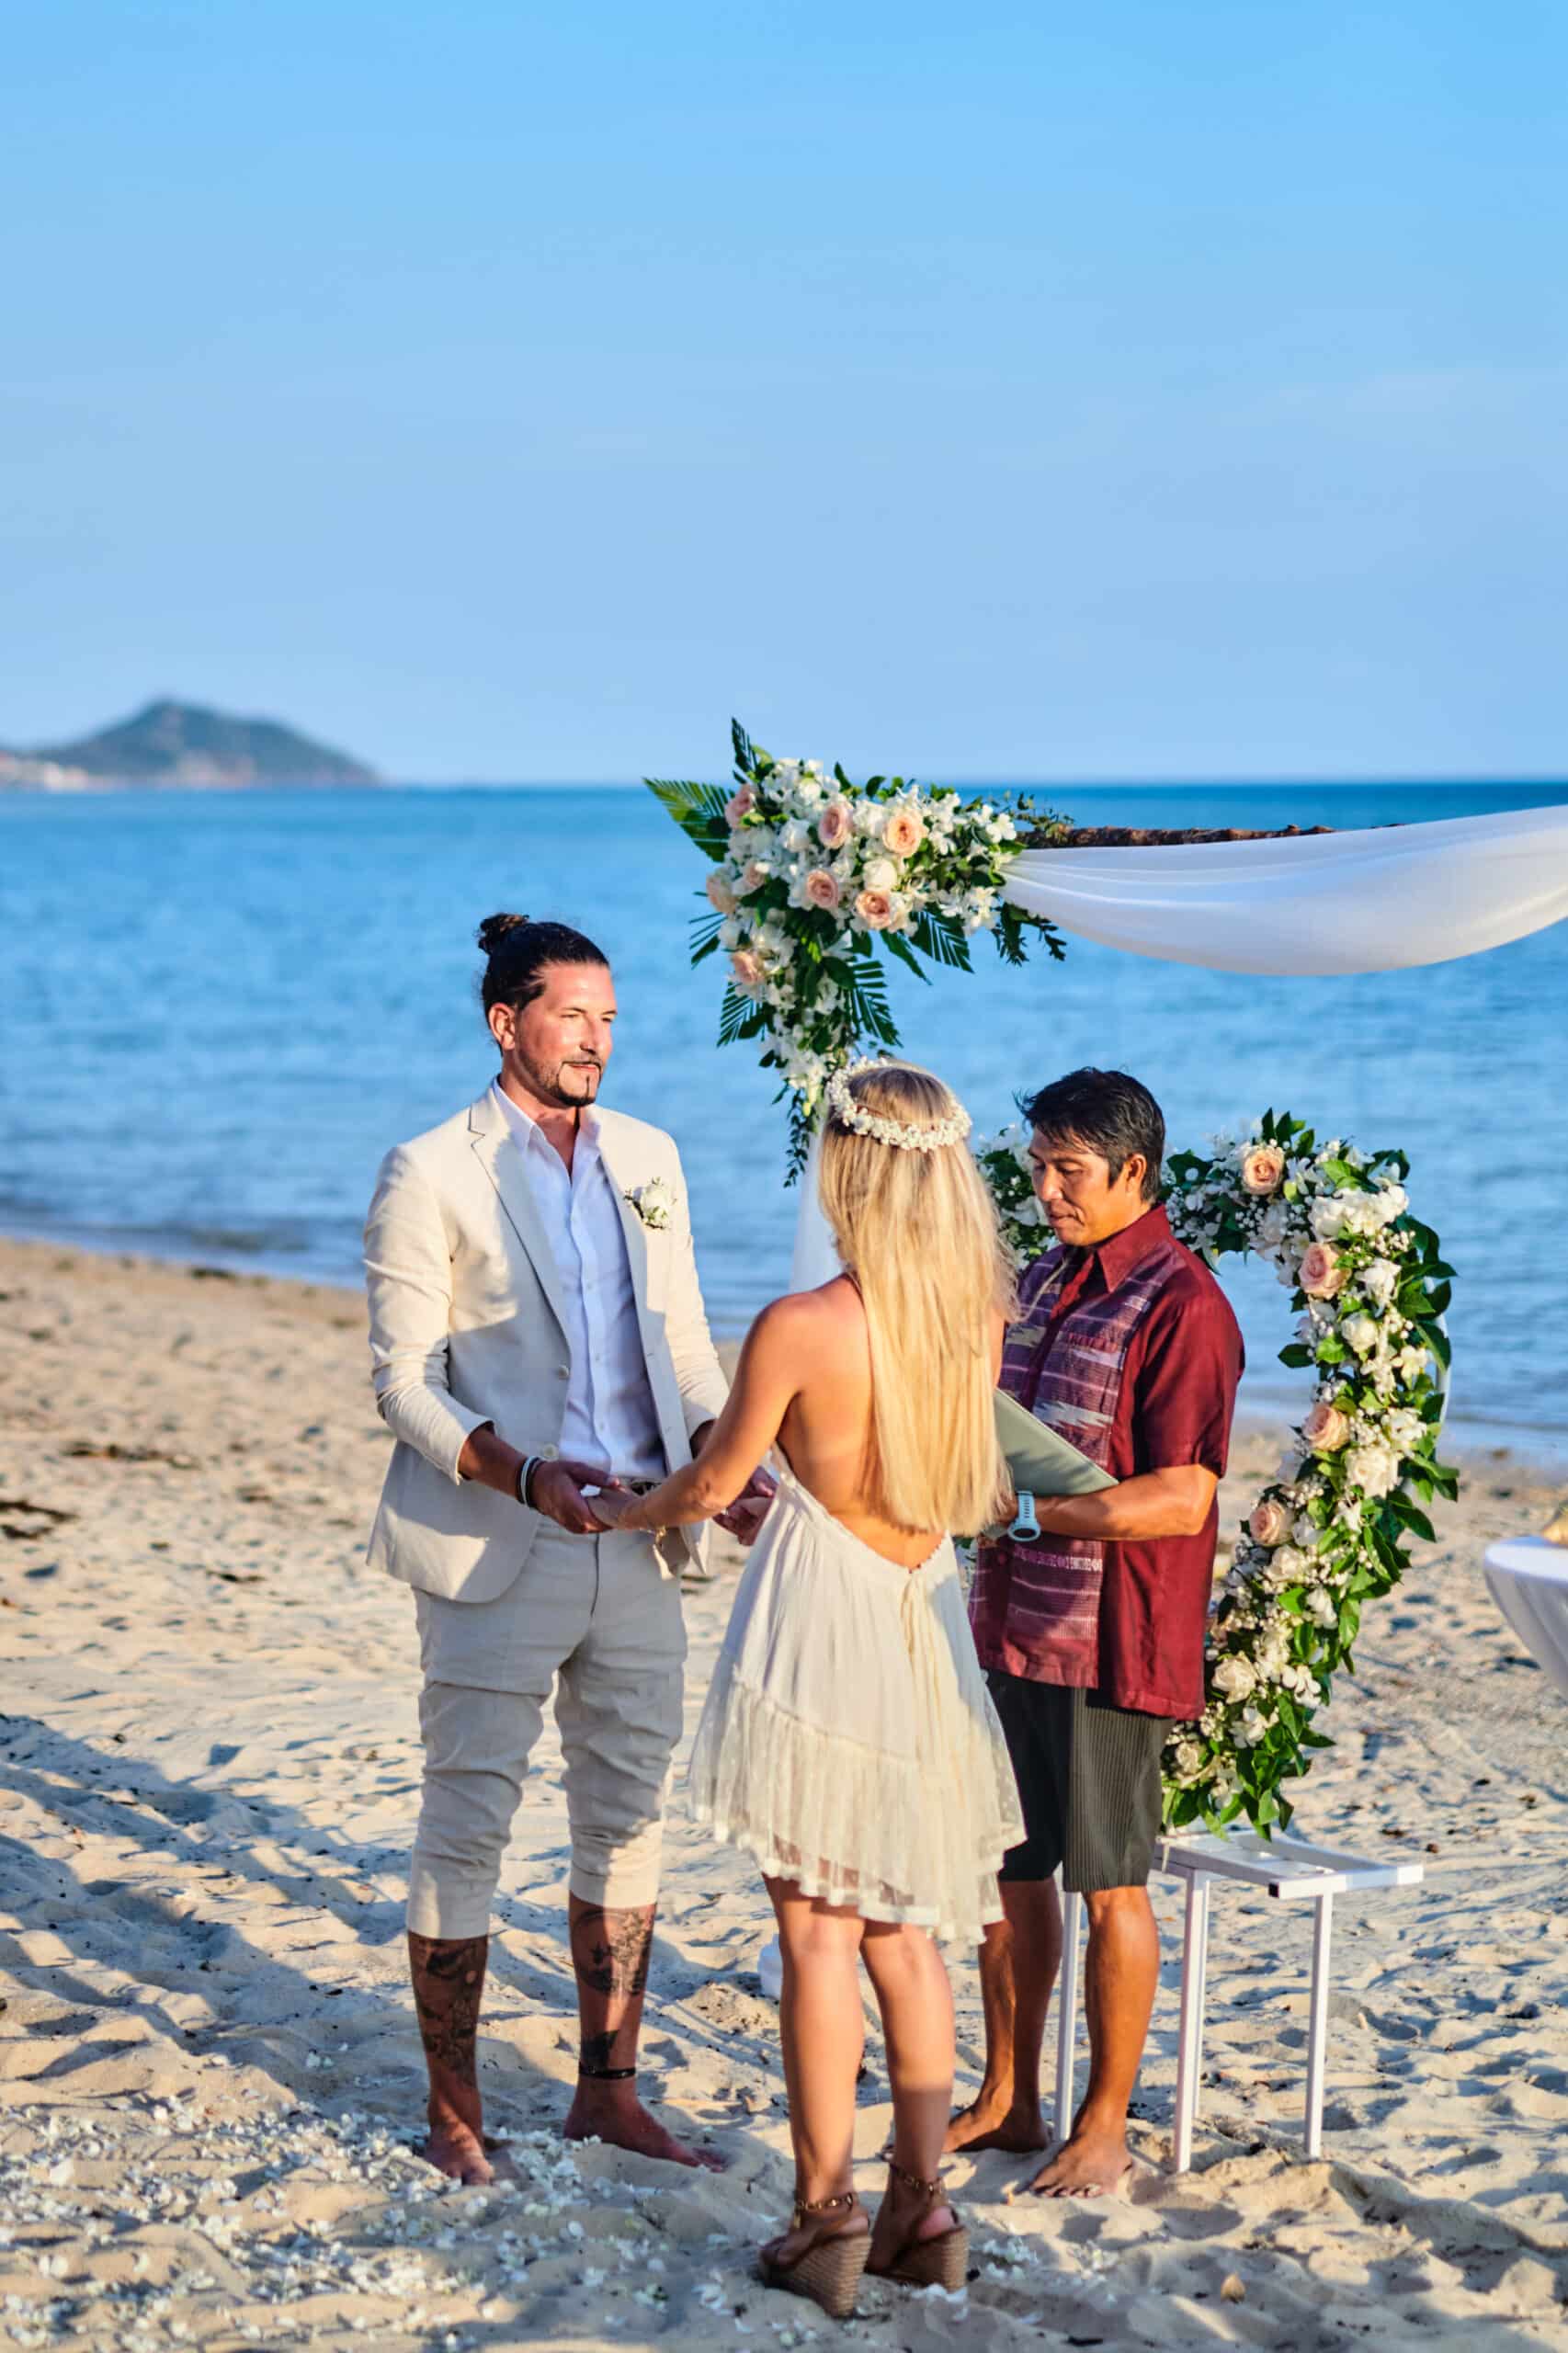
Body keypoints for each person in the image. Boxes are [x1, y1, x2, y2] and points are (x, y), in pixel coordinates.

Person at [589, 1060, 1024, 2322]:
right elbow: (954, 1482)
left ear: (846, 1166)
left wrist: (627, 1509)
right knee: (908, 1930)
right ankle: (923, 2203)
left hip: (822, 1614)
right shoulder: (974, 1315)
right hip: (919, 1611)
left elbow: (715, 1485)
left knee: (816, 1933)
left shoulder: (801, 1323)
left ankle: (824, 2212)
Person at [362, 912, 771, 2185]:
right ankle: (455, 2110)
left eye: (609, 1017)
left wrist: (725, 1468)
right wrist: (522, 1472)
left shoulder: (649, 1154)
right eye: (571, 1016)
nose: (597, 1039)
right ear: (507, 1024)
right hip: (498, 1543)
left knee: (628, 1818)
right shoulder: (428, 1168)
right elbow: (401, 1384)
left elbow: (686, 1345)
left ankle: (607, 2093)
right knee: (467, 1821)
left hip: (642, 1539)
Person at [949, 1067, 1244, 2195]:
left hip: (1110, 1638)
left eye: (1065, 1170)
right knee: (1009, 1871)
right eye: (1036, 1166)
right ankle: (1011, 2095)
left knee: (1109, 1883)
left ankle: (1104, 2121)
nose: (1045, 1189)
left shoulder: (1183, 1303)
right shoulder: (1041, 1276)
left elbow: (1180, 1498)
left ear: (1132, 1171)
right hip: (1007, 1618)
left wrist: (1028, 1509)